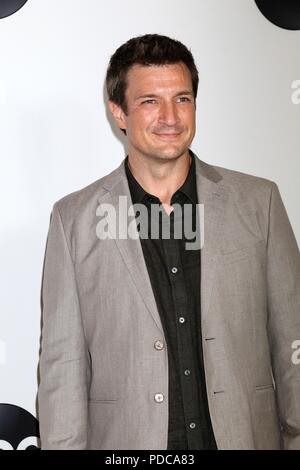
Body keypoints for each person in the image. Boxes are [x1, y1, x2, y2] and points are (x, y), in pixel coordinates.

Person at [37, 34, 300, 450]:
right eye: (149, 101)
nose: (170, 117)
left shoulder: (258, 203)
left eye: (182, 99)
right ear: (118, 112)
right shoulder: (74, 220)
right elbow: (62, 369)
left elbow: (292, 344)